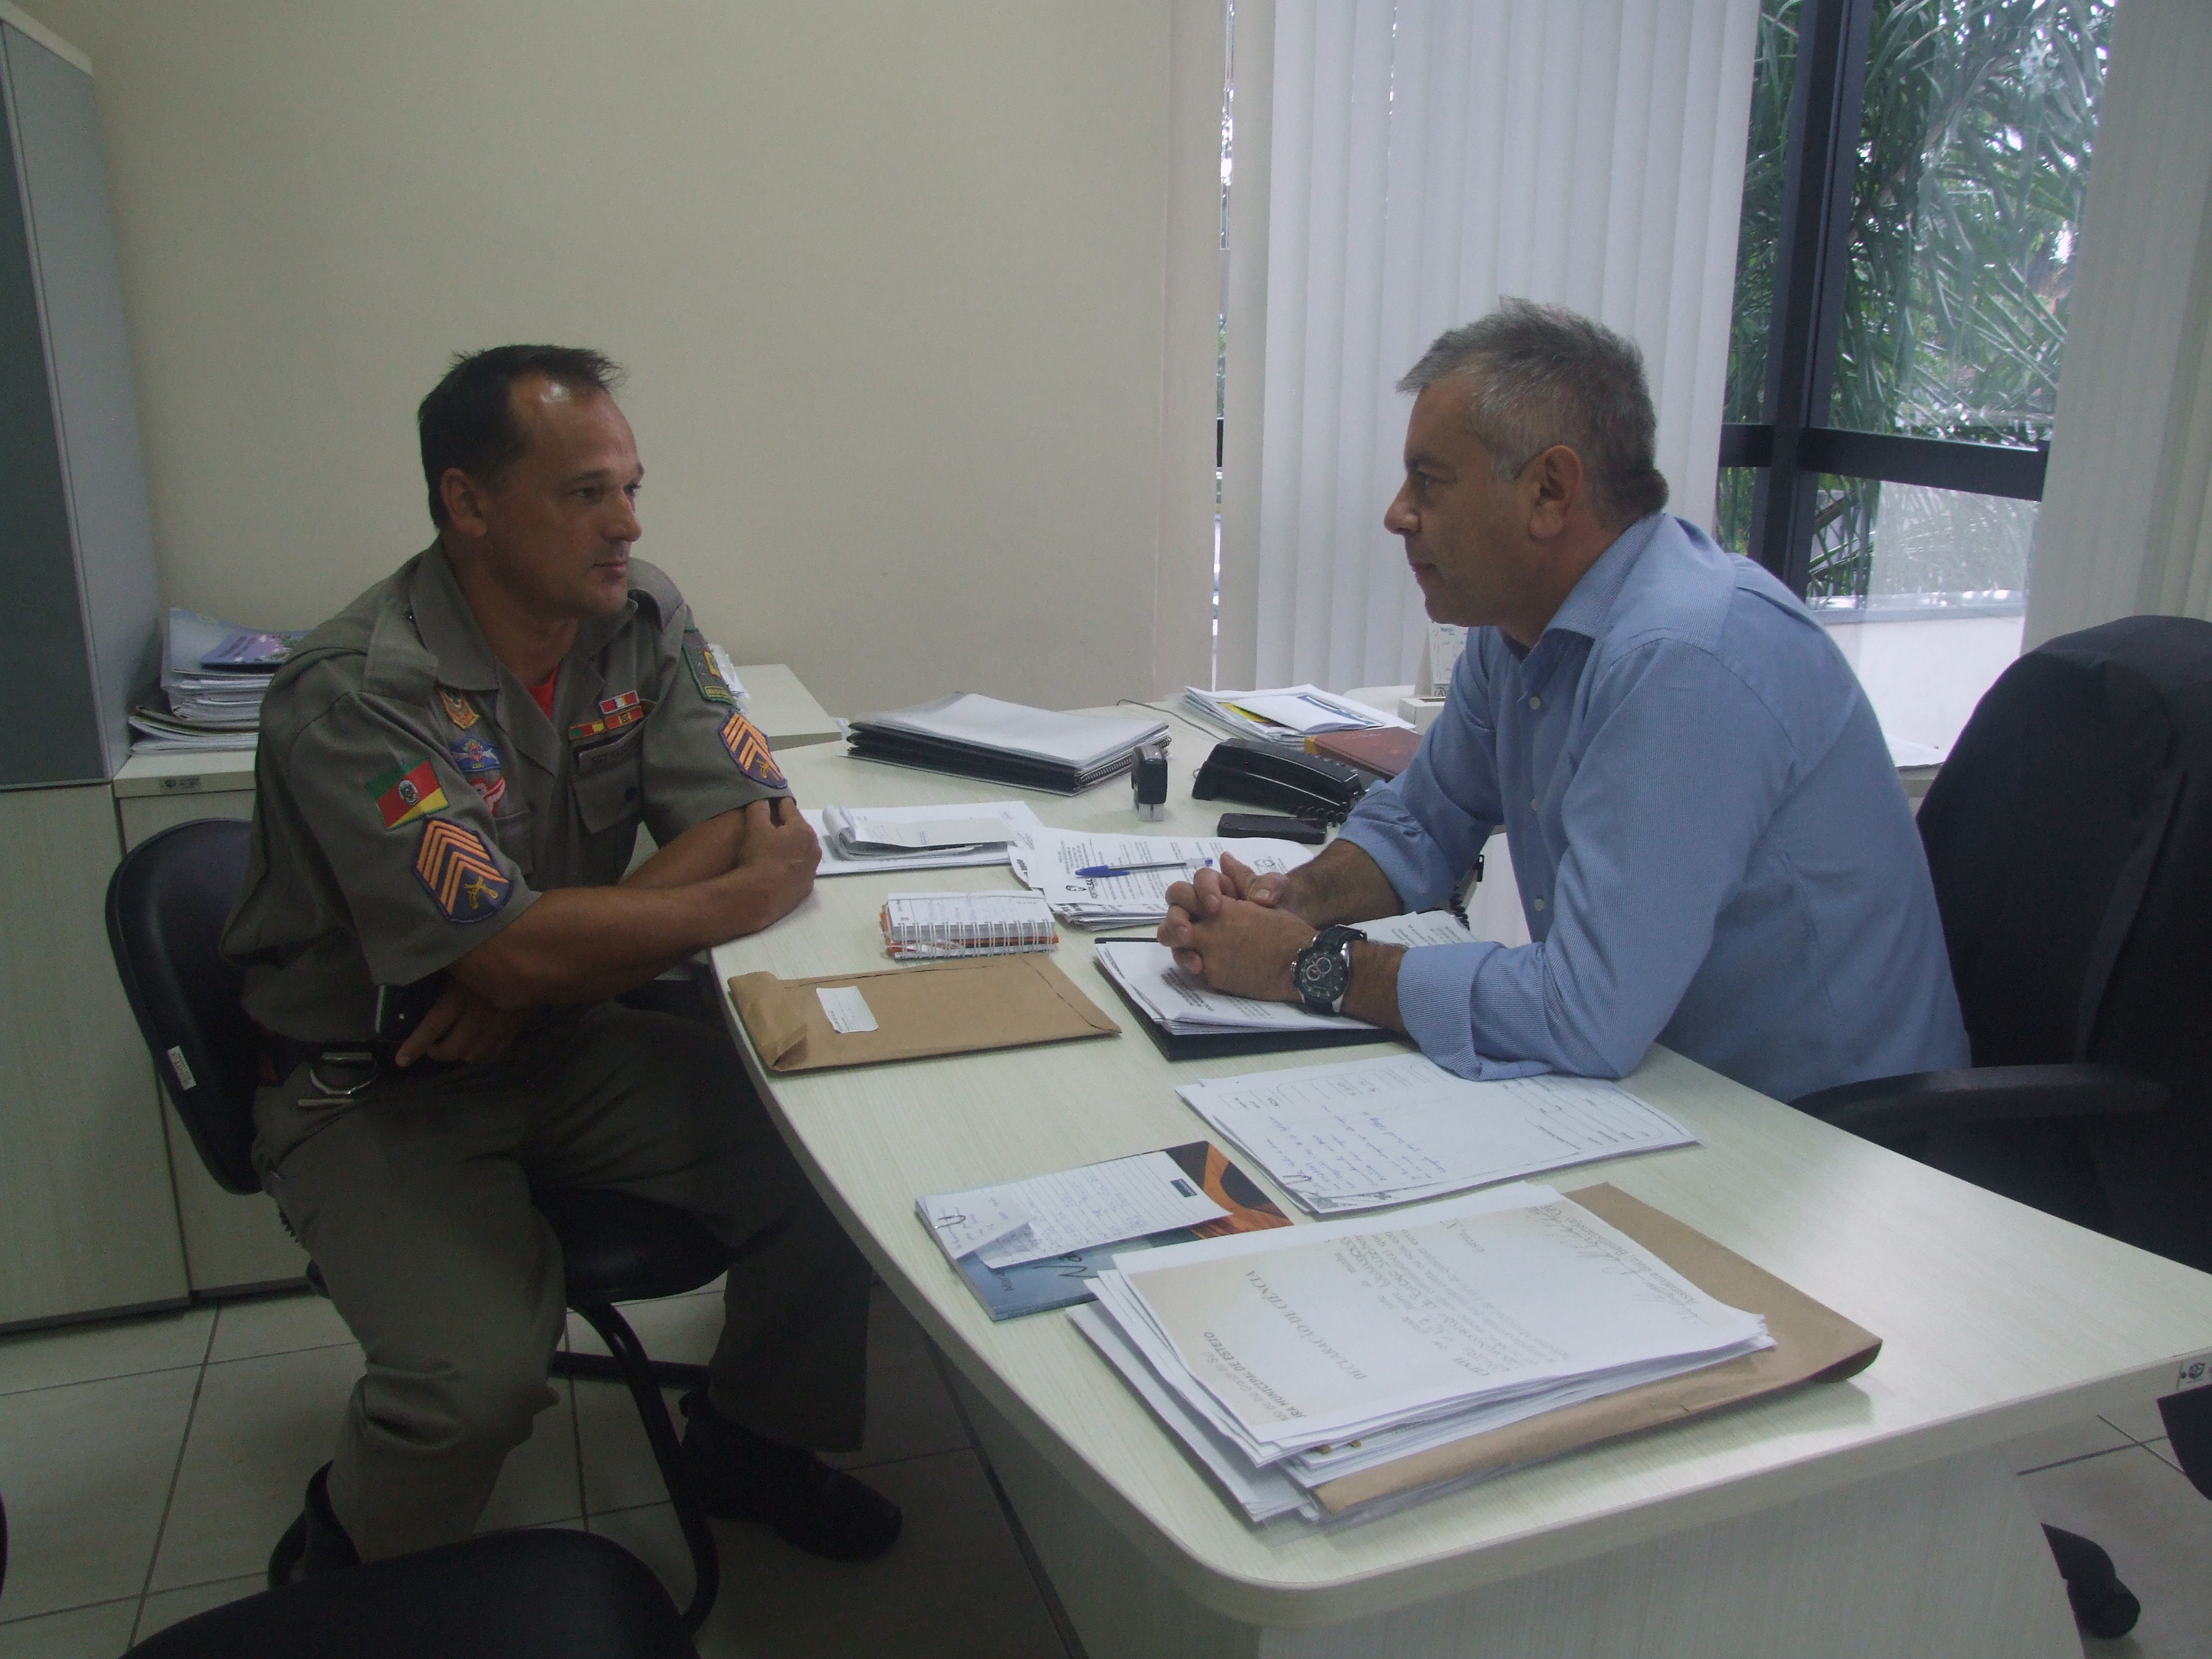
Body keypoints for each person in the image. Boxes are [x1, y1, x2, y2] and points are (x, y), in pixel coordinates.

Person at [223, 345, 899, 1580]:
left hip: (556, 1041)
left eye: (631, 487)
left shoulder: (639, 617)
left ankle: (745, 1444)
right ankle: (347, 1565)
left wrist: (543, 967)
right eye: (586, 493)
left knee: (832, 1181)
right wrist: (566, 947)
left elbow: (736, 809)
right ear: (466, 502)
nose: (626, 525)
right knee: (471, 1383)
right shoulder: (360, 692)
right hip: (368, 1086)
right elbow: (729, 867)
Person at [1160, 300, 1968, 1102]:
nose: (1396, 513)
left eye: (1428, 482)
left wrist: (1303, 965)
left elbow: (1586, 1010)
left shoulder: (1684, 661)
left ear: (1549, 490)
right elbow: (1423, 823)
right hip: (1670, 1091)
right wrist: (1285, 900)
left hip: (1837, 1144)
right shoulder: (1515, 630)